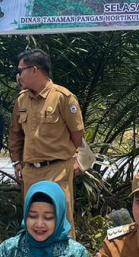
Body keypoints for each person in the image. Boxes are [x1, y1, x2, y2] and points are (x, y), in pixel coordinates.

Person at [8, 47, 84, 229]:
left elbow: (77, 134)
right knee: (33, 222)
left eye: (21, 70)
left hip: (58, 170)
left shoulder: (63, 98)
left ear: (34, 70)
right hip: (30, 172)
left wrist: (73, 159)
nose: (18, 76)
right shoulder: (22, 100)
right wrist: (17, 162)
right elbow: (16, 134)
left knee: (61, 220)